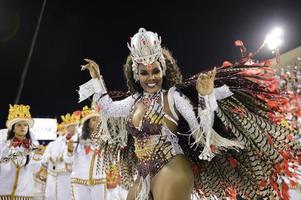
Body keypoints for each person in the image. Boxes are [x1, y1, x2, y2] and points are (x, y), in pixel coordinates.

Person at [79, 28, 300, 200]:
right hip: (144, 173)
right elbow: (106, 107)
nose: (151, 77)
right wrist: (97, 79)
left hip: (172, 168)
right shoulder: (133, 101)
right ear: (136, 75)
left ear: (164, 70)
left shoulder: (173, 97)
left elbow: (201, 130)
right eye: (144, 73)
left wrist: (204, 96)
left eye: (155, 70)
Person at [0, 104, 45, 199]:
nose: (23, 127)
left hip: (24, 193)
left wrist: (37, 156)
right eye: (19, 125)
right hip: (4, 192)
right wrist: (8, 147)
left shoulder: (34, 146)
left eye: (25, 125)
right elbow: (2, 161)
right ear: (13, 128)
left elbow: (34, 170)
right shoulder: (4, 143)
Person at [64, 106, 108, 200]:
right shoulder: (77, 138)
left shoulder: (105, 138)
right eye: (93, 120)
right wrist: (69, 150)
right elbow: (67, 160)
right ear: (87, 123)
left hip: (98, 180)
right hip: (79, 180)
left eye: (98, 120)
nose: (97, 123)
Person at [38, 121, 72, 200]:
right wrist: (50, 158)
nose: (62, 135)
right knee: (50, 196)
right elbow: (43, 161)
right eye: (61, 132)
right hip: (52, 175)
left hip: (66, 175)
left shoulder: (72, 144)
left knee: (65, 196)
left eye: (64, 132)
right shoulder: (52, 144)